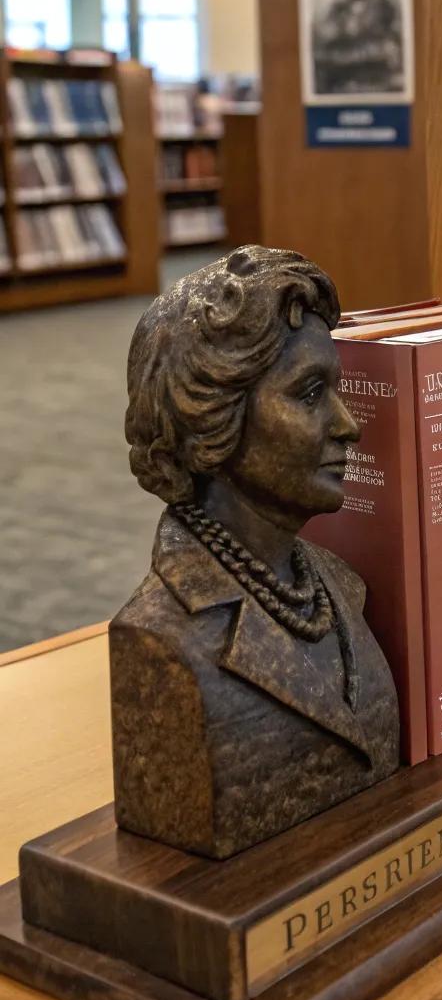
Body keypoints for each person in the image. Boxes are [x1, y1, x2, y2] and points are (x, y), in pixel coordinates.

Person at [113, 246, 399, 859]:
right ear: (212, 419)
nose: (350, 424)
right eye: (310, 393)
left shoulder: (339, 587)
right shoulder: (161, 638)